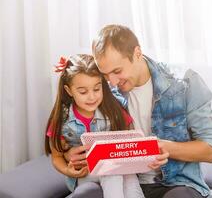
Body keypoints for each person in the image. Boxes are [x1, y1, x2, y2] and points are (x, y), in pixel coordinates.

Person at [67, 24, 212, 198]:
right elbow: (73, 124)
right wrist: (71, 155)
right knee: (85, 194)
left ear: (137, 53)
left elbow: (211, 150)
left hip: (175, 184)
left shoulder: (184, 84)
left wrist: (162, 147)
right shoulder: (102, 91)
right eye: (105, 74)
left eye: (117, 71)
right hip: (123, 182)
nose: (113, 82)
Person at [44, 54, 145, 198]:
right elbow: (57, 157)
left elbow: (130, 142)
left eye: (97, 89)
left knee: (130, 178)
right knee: (112, 173)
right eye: (83, 92)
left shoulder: (113, 110)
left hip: (118, 168)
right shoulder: (63, 120)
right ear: (69, 91)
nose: (92, 97)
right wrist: (68, 171)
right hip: (85, 174)